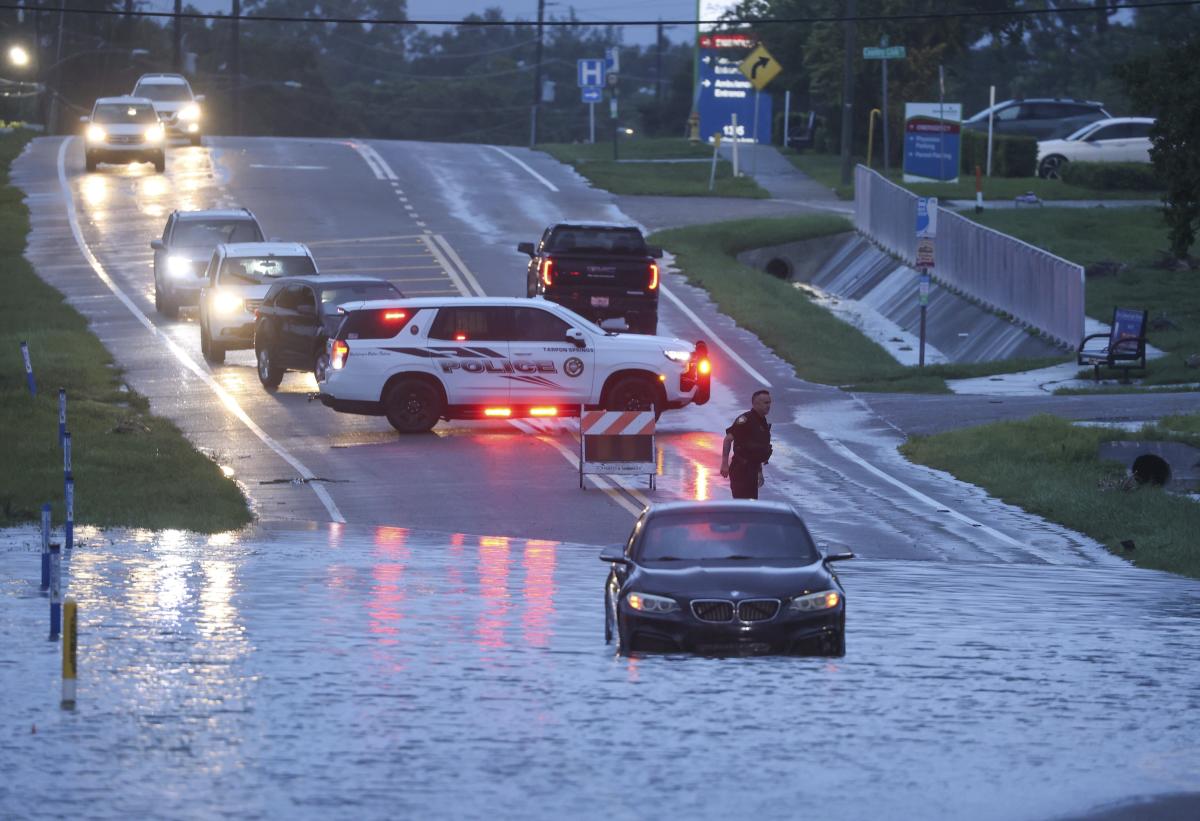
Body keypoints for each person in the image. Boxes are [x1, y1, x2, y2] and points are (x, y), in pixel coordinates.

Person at [719, 390, 772, 499]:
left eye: (769, 402)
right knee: (742, 506)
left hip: (752, 470)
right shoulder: (745, 420)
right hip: (741, 470)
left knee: (751, 505)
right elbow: (728, 439)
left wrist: (759, 472)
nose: (769, 406)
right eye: (765, 403)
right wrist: (724, 464)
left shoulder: (762, 421)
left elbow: (757, 452)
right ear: (756, 404)